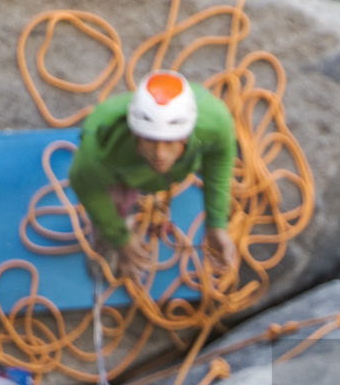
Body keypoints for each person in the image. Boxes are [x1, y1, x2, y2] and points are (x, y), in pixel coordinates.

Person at [68, 69, 238, 282]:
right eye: (150, 140)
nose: (159, 154)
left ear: (185, 137)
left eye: (169, 142)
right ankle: (108, 237)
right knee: (112, 202)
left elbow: (220, 159)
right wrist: (120, 239)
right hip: (123, 170)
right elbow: (86, 185)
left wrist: (217, 223)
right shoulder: (102, 142)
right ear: (136, 134)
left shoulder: (216, 122)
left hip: (168, 169)